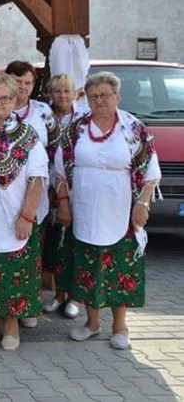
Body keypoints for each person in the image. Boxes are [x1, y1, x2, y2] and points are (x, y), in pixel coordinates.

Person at [55, 71, 160, 350]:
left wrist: (142, 204)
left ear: (117, 97)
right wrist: (64, 203)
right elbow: (59, 172)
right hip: (85, 210)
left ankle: (120, 326)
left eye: (105, 95)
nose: (99, 100)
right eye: (93, 96)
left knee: (120, 269)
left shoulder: (134, 128)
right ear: (86, 99)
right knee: (88, 267)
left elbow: (151, 172)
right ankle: (91, 323)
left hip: (122, 210)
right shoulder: (76, 129)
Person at [0, 73, 47, 351]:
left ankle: (12, 324)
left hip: (15, 208)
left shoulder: (27, 135)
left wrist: (27, 215)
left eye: (5, 98)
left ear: (15, 100)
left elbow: (38, 178)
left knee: (14, 269)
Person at [5, 60, 59, 329]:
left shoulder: (43, 112)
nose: (23, 87)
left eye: (28, 82)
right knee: (4, 248)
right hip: (3, 194)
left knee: (31, 250)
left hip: (35, 191)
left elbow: (56, 146)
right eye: (18, 81)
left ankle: (29, 304)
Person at [42, 74, 88, 320]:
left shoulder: (82, 120)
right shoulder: (45, 116)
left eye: (66, 91)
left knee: (72, 243)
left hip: (72, 188)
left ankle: (74, 298)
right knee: (55, 244)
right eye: (57, 91)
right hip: (46, 187)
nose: (62, 96)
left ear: (76, 93)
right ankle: (58, 294)